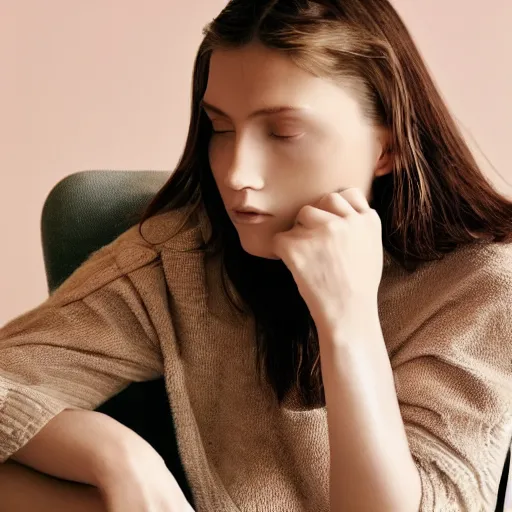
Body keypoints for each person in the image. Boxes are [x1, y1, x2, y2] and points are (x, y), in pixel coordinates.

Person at [1, 0, 511, 510]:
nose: (236, 173)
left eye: (283, 133)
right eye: (220, 128)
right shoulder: (184, 255)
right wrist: (113, 456)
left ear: (389, 145)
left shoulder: (485, 288)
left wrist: (347, 317)